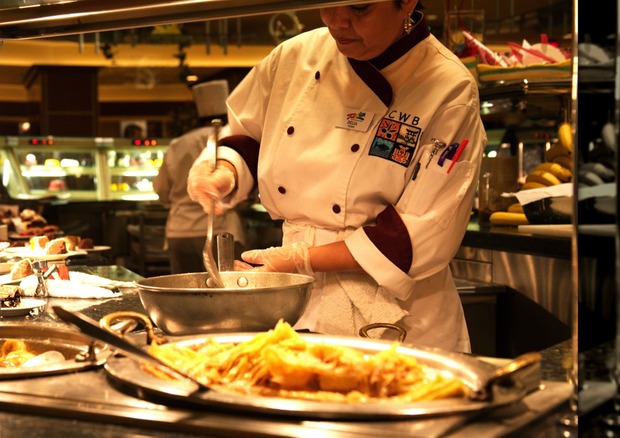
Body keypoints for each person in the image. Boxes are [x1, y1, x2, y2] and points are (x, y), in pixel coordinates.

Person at [186, 1, 486, 353]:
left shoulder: (447, 86)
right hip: (295, 297)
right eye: (326, 5)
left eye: (359, 9)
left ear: (406, 3)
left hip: (396, 316)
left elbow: (424, 231)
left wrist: (302, 259)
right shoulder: (295, 56)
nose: (337, 22)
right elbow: (248, 135)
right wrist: (225, 171)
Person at [154, 80, 247, 274]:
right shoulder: (233, 139)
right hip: (221, 230)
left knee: (183, 295)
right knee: (225, 294)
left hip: (180, 231)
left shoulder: (177, 144)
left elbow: (161, 189)